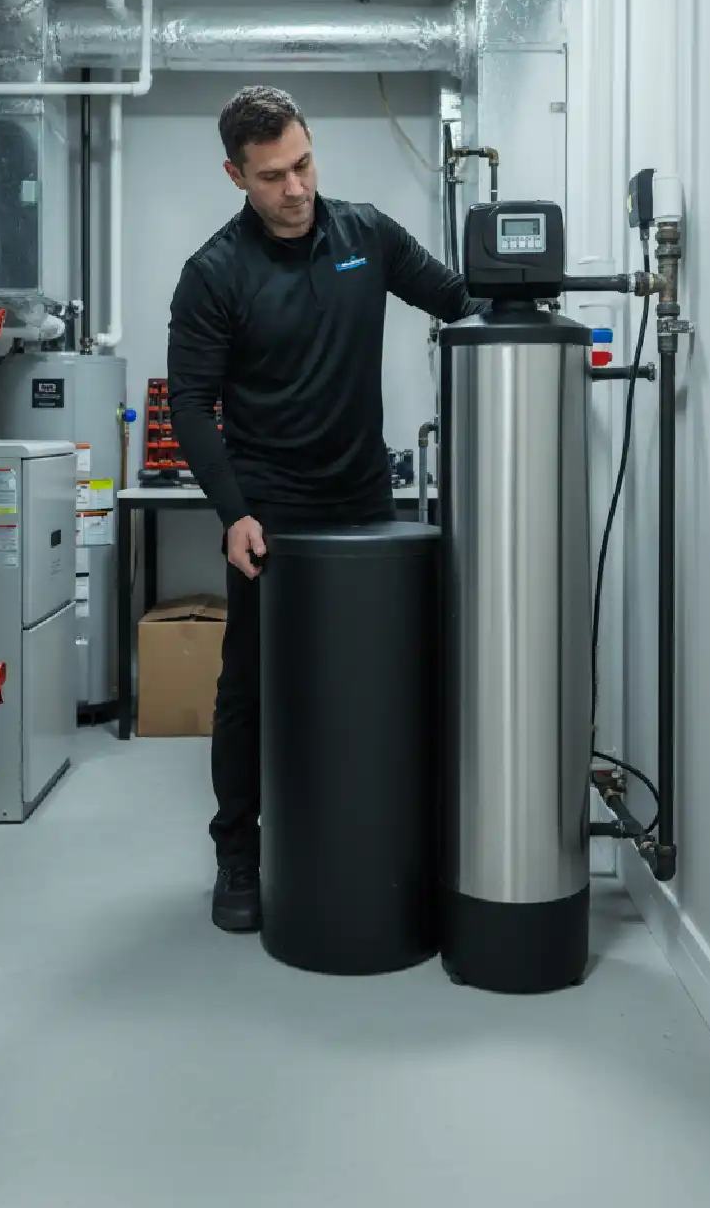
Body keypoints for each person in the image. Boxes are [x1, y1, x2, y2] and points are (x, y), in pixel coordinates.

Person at [167, 85, 474, 932]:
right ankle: (239, 852)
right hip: (270, 513)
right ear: (236, 175)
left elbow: (456, 299)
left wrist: (531, 307)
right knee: (252, 684)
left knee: (374, 673)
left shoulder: (367, 235)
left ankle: (372, 835)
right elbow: (190, 403)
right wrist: (232, 513)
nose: (295, 187)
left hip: (363, 499)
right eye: (271, 176)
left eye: (302, 163)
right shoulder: (213, 273)